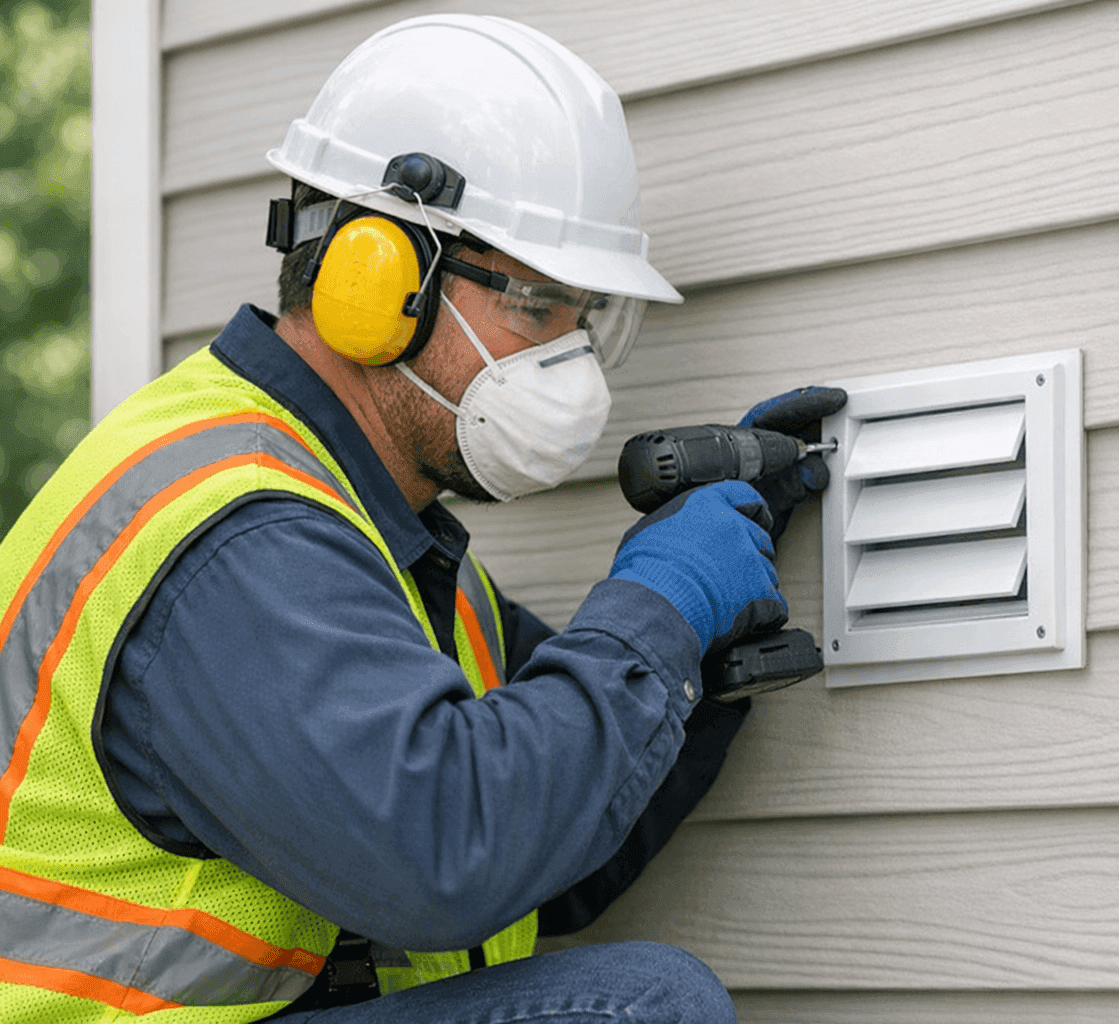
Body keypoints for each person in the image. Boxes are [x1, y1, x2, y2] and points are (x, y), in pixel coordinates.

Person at [0, 15, 843, 1023]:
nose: (570, 364)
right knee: (641, 1004)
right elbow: (449, 854)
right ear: (376, 279)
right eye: (537, 305)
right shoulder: (239, 535)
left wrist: (700, 658)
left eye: (589, 319)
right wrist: (658, 602)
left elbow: (551, 846)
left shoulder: (379, 544)